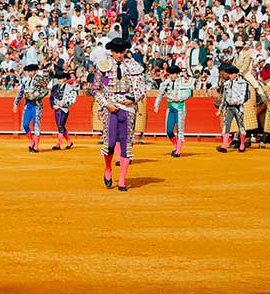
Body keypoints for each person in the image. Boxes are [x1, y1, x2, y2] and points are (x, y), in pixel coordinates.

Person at [91, 38, 146, 191]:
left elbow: (142, 89)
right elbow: (95, 89)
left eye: (122, 52)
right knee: (109, 143)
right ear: (112, 52)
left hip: (128, 108)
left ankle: (122, 180)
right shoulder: (103, 66)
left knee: (126, 144)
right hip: (110, 107)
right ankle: (108, 168)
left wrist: (133, 99)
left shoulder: (134, 66)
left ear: (125, 51)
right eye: (116, 52)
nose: (119, 55)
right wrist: (106, 104)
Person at [154, 65, 194, 158]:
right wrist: (156, 105)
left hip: (180, 108)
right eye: (170, 74)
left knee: (180, 130)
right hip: (170, 108)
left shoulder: (183, 81)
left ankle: (178, 152)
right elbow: (160, 94)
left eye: (173, 74)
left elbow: (189, 93)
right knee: (168, 130)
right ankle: (176, 146)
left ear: (177, 74)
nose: (171, 76)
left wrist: (179, 98)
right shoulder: (166, 83)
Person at [13, 63, 49, 152]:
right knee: (25, 125)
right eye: (28, 71)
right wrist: (16, 103)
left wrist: (36, 96)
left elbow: (45, 90)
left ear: (35, 71)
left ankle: (36, 146)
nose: (29, 73)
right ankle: (31, 141)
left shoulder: (39, 78)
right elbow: (21, 92)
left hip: (37, 105)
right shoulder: (26, 80)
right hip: (28, 105)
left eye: (31, 71)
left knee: (36, 125)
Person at [215, 64, 248, 153]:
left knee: (241, 126)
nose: (229, 76)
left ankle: (242, 145)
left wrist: (235, 102)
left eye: (231, 74)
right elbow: (224, 98)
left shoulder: (243, 83)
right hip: (229, 108)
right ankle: (224, 145)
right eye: (228, 74)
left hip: (238, 107)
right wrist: (220, 109)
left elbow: (245, 97)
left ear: (236, 74)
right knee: (226, 125)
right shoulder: (226, 84)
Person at [49, 69, 78, 150]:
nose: (59, 80)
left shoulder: (69, 87)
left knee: (61, 126)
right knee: (60, 126)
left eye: (61, 78)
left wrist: (64, 104)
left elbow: (73, 98)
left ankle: (58, 144)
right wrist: (53, 105)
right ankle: (69, 142)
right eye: (58, 78)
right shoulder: (55, 87)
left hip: (64, 109)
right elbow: (51, 98)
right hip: (57, 109)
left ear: (64, 79)